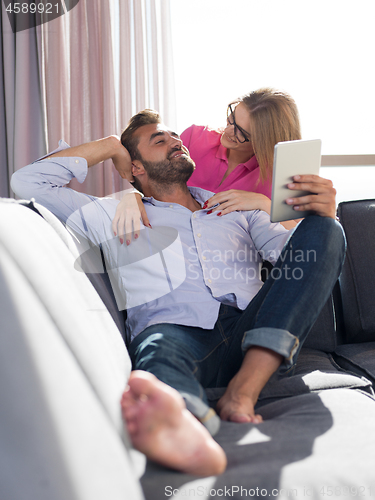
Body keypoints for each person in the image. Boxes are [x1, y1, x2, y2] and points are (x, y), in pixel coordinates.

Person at [11, 109, 345, 477]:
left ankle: (243, 391)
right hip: (174, 330)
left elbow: (297, 263)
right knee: (158, 356)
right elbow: (28, 183)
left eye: (175, 137)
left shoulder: (236, 207)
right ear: (136, 167)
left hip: (251, 334)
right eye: (159, 139)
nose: (175, 141)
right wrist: (109, 147)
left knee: (328, 230)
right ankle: (187, 424)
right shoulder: (107, 213)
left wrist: (301, 212)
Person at [112, 88, 330, 238]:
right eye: (231, 119)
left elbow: (301, 239)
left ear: (265, 142)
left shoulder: (282, 174)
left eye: (242, 133)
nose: (227, 131)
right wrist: (134, 196)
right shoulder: (193, 139)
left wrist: (263, 203)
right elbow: (150, 173)